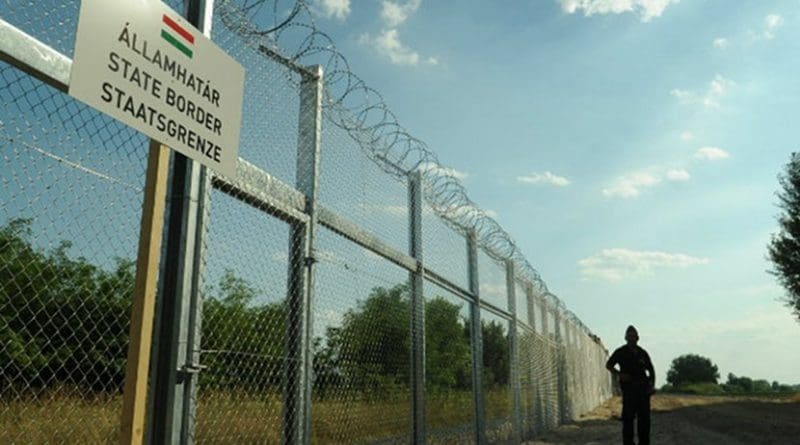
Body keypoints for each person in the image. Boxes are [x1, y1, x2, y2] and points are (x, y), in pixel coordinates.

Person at [606, 325, 655, 445]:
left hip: (643, 391)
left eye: (634, 336)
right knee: (628, 421)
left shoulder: (642, 353)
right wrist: (619, 374)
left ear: (638, 338)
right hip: (629, 390)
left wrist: (651, 386)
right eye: (629, 336)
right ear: (625, 338)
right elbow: (609, 365)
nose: (632, 338)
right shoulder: (621, 352)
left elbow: (651, 370)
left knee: (644, 422)